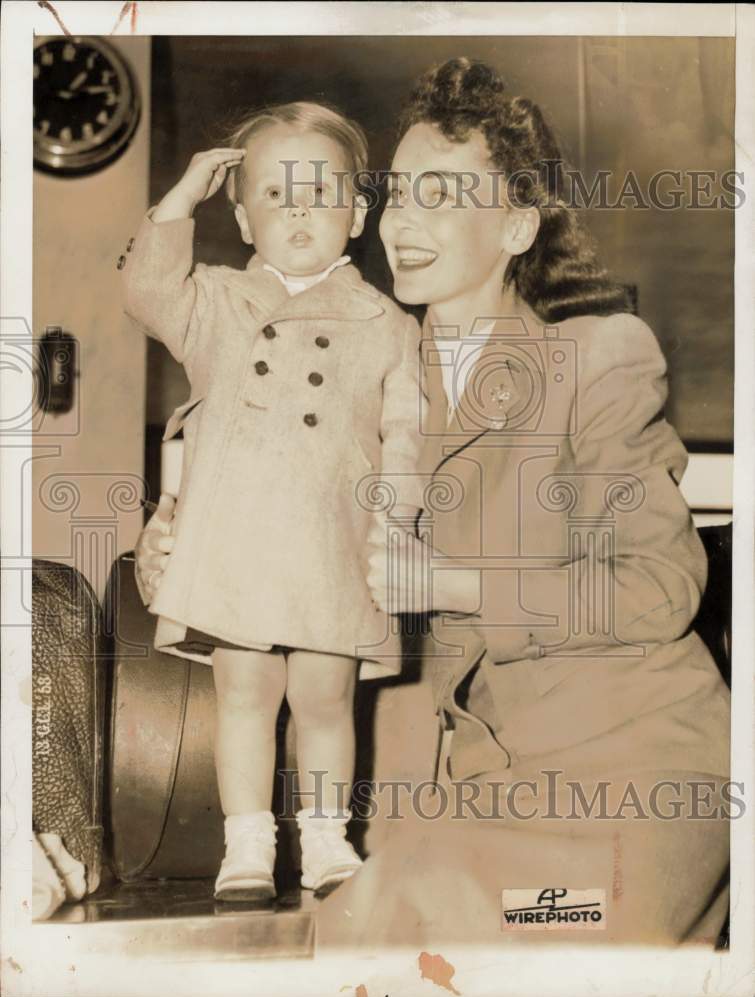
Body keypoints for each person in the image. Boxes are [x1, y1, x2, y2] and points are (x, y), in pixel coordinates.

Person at [137, 59, 731, 947]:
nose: (406, 221)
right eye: (399, 194)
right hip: (446, 802)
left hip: (627, 774)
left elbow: (658, 586)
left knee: (482, 928)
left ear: (518, 226)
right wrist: (182, 545)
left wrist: (449, 582)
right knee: (367, 935)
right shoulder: (356, 365)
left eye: (443, 194)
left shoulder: (599, 357)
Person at [123, 102, 424, 902]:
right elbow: (147, 292)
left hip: (332, 539)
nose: (297, 209)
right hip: (236, 539)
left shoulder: (388, 324)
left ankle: (327, 840)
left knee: (325, 695)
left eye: (320, 192)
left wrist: (395, 523)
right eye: (274, 194)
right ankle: (247, 846)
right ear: (243, 218)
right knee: (244, 694)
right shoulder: (214, 302)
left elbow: (406, 432)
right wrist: (176, 202)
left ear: (357, 214)